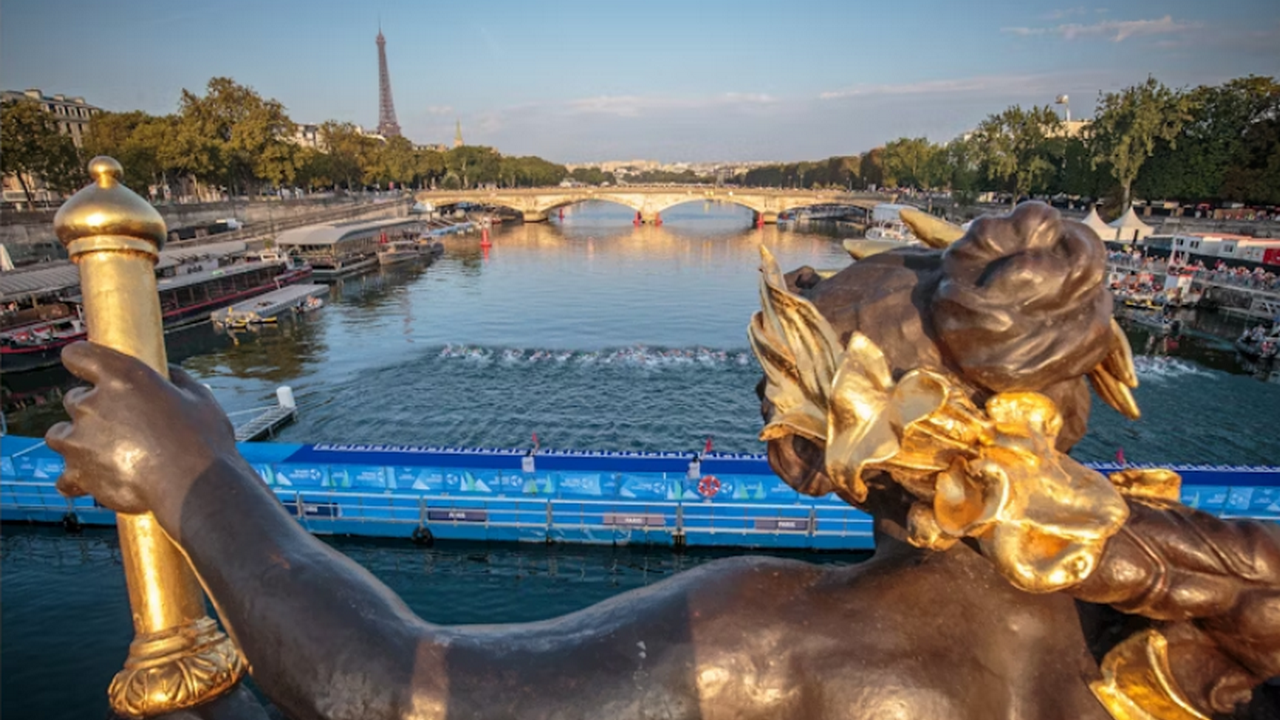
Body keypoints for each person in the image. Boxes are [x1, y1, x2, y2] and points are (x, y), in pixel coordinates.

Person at [50, 203, 1280, 720]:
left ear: (827, 444)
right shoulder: (1130, 634)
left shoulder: (770, 631)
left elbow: (394, 689)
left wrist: (195, 471)